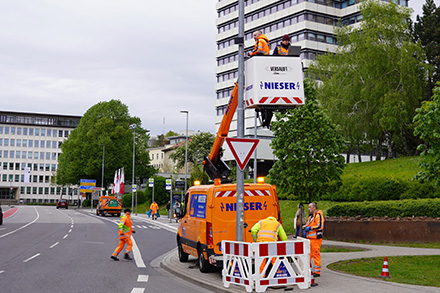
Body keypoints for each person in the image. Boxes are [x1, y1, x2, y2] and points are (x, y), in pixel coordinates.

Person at [302, 203, 324, 277]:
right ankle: (308, 270)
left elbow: (320, 226)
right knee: (309, 254)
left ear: (314, 208)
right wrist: (305, 226)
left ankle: (317, 272)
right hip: (310, 238)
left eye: (310, 207)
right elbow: (309, 225)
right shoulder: (311, 217)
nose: (309, 209)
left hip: (316, 239)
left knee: (315, 254)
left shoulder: (318, 215)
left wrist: (310, 228)